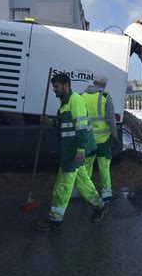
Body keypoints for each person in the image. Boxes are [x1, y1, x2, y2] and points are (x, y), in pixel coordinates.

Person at [35, 73, 108, 232]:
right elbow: (64, 125)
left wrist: (80, 149)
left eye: (57, 87)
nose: (54, 90)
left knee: (63, 184)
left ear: (66, 86)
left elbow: (81, 127)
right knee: (82, 181)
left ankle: (55, 218)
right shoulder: (64, 103)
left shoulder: (75, 101)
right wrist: (50, 121)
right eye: (53, 87)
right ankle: (100, 206)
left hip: (74, 151)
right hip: (71, 150)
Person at [82, 75, 119, 202]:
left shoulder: (82, 96)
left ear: (93, 82)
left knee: (87, 166)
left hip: (88, 139)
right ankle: (106, 192)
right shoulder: (105, 97)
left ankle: (86, 192)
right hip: (103, 140)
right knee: (104, 166)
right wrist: (115, 136)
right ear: (104, 85)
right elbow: (110, 119)